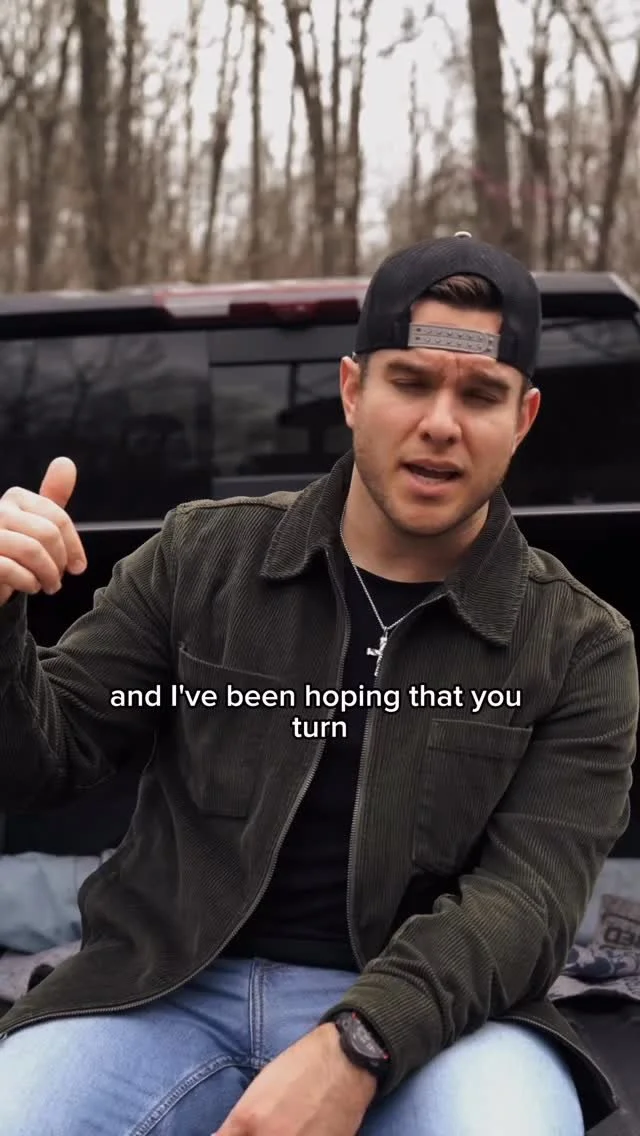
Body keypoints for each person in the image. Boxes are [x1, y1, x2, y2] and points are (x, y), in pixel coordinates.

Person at [0, 233, 637, 1136]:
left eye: (480, 394)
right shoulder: (201, 556)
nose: (441, 423)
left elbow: (525, 903)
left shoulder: (581, 645)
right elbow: (41, 763)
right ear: (352, 390)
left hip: (443, 1016)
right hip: (162, 986)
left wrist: (360, 1042)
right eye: (410, 382)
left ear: (523, 416)